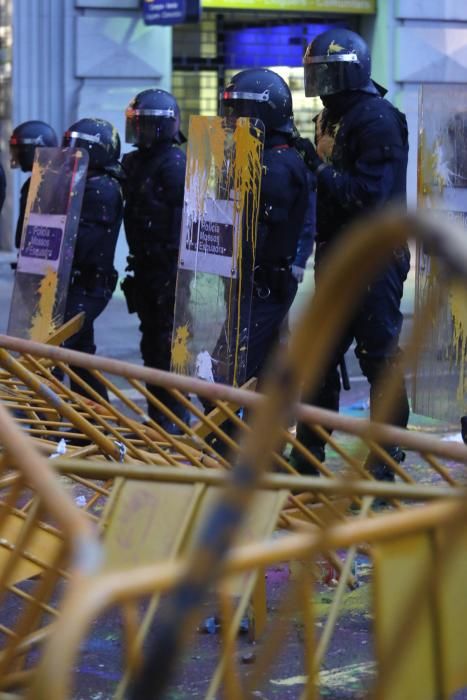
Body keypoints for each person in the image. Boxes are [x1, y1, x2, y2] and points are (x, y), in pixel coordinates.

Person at [289, 28, 411, 480]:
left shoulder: (377, 119)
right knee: (317, 356)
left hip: (375, 256)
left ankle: (385, 460)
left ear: (348, 74)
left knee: (378, 357)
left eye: (326, 75)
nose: (319, 86)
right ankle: (308, 454)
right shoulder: (329, 119)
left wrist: (316, 168)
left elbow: (367, 197)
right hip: (337, 255)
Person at [220, 68, 310, 381]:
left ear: (262, 111)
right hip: (249, 283)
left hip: (264, 285)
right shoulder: (255, 157)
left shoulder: (277, 165)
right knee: (266, 370)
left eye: (240, 111)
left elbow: (254, 231)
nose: (233, 120)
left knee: (226, 373)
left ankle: (230, 431)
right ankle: (267, 429)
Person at [122, 88, 188, 432]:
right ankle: (160, 418)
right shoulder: (134, 162)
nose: (140, 132)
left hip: (169, 270)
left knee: (168, 349)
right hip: (145, 267)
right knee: (151, 346)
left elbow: (184, 222)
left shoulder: (175, 164)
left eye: (145, 125)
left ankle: (175, 422)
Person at [61, 118, 124, 399]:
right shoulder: (83, 184)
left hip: (88, 285)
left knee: (52, 353)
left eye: (76, 147)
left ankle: (46, 428)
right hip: (75, 284)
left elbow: (81, 246)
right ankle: (96, 425)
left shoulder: (102, 189)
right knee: (80, 358)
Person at [9, 120, 58, 247]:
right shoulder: (42, 180)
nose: (13, 155)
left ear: (31, 150)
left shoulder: (45, 185)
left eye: (17, 149)